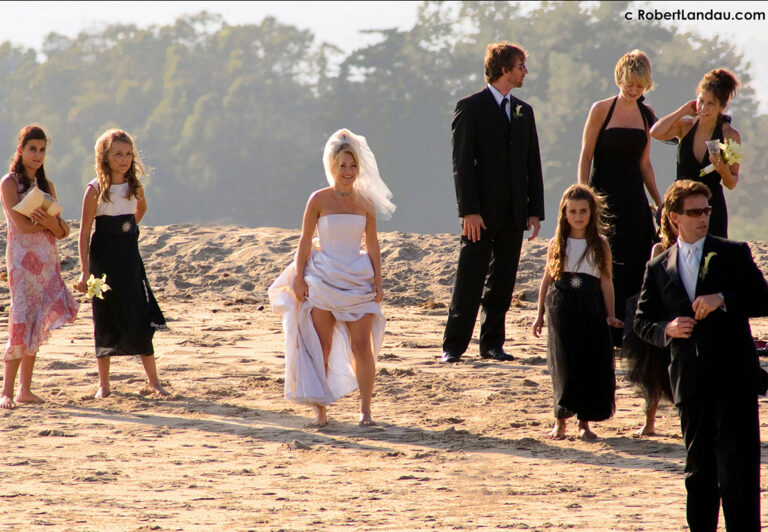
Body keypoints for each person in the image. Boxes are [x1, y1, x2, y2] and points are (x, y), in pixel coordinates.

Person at [634, 179, 768, 531]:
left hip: (734, 378)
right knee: (699, 474)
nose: (703, 218)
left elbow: (763, 299)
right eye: (694, 212)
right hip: (689, 382)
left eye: (706, 210)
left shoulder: (733, 252)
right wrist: (667, 329)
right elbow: (641, 321)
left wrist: (722, 298)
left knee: (739, 473)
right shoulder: (658, 266)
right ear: (674, 217)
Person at [268, 129, 395, 427]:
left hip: (357, 279)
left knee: (361, 346)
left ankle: (365, 411)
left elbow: (372, 243)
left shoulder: (366, 201)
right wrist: (299, 277)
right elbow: (304, 240)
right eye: (342, 166)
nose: (348, 172)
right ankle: (321, 411)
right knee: (321, 345)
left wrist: (378, 280)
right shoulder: (318, 199)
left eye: (352, 166)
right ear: (332, 167)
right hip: (323, 277)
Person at [442, 41, 544, 364]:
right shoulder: (470, 107)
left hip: (514, 213)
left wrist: (534, 211)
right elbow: (461, 164)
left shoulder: (524, 112)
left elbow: (532, 164)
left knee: (502, 282)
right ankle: (453, 346)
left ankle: (492, 344)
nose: (525, 72)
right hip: (480, 214)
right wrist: (468, 211)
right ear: (504, 69)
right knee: (469, 279)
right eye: (520, 66)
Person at [578, 50, 662, 347]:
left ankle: (633, 331)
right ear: (620, 78)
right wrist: (582, 194)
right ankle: (604, 329)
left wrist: (660, 201)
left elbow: (645, 164)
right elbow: (586, 154)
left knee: (640, 258)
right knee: (606, 260)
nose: (634, 91)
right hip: (603, 197)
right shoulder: (601, 109)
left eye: (640, 87)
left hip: (634, 199)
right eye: (630, 84)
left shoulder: (646, 115)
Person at [76, 129, 168, 399]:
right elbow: (84, 232)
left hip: (130, 261)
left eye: (128, 154)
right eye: (118, 154)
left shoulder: (134, 186)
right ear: (105, 156)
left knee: (139, 315)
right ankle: (104, 385)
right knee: (104, 317)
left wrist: (127, 229)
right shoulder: (95, 190)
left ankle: (154, 383)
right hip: (102, 262)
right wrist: (84, 269)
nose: (124, 159)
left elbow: (141, 210)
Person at [532, 184, 620, 440]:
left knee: (589, 363)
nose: (578, 216)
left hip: (591, 306)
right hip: (561, 307)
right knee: (563, 363)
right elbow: (547, 280)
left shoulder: (600, 244)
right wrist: (539, 314)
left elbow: (606, 281)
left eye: (583, 211)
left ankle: (585, 422)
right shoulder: (556, 243)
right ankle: (560, 422)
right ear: (564, 213)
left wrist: (610, 314)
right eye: (573, 211)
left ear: (591, 213)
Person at [0, 125, 79, 409]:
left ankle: (25, 389)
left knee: (35, 319)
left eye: (42, 150)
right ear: (21, 150)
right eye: (33, 149)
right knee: (21, 317)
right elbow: (20, 225)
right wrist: (46, 223)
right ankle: (6, 391)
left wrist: (49, 224)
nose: (38, 155)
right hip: (22, 261)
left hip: (47, 259)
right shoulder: (9, 183)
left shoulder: (47, 186)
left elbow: (63, 230)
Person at [650, 69, 740, 238]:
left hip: (711, 209)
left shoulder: (730, 136)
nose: (703, 108)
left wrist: (723, 169)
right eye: (701, 101)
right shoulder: (685, 127)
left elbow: (732, 182)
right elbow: (655, 132)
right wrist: (683, 110)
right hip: (680, 206)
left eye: (711, 104)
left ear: (722, 106)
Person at [621, 206, 676, 436]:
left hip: (683, 313)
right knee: (652, 373)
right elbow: (651, 284)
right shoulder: (660, 249)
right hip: (660, 317)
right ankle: (649, 420)